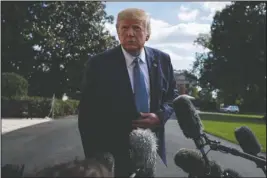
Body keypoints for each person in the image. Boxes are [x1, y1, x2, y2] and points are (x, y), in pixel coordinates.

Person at [78, 8, 178, 177]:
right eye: (124, 28)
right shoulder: (98, 64)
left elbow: (172, 96)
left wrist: (160, 116)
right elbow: (87, 114)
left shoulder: (162, 60)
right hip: (111, 153)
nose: (130, 33)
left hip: (148, 148)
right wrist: (94, 161)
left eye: (137, 28)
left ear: (147, 34)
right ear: (118, 32)